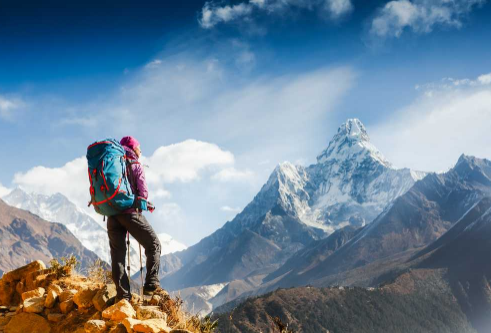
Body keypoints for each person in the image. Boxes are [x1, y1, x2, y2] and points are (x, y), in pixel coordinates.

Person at [107, 136, 162, 301]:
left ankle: (123, 296)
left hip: (111, 215)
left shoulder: (113, 164)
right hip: (130, 214)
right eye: (139, 147)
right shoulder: (135, 164)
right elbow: (143, 193)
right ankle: (151, 286)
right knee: (154, 244)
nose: (141, 151)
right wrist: (143, 204)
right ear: (133, 148)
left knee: (118, 255)